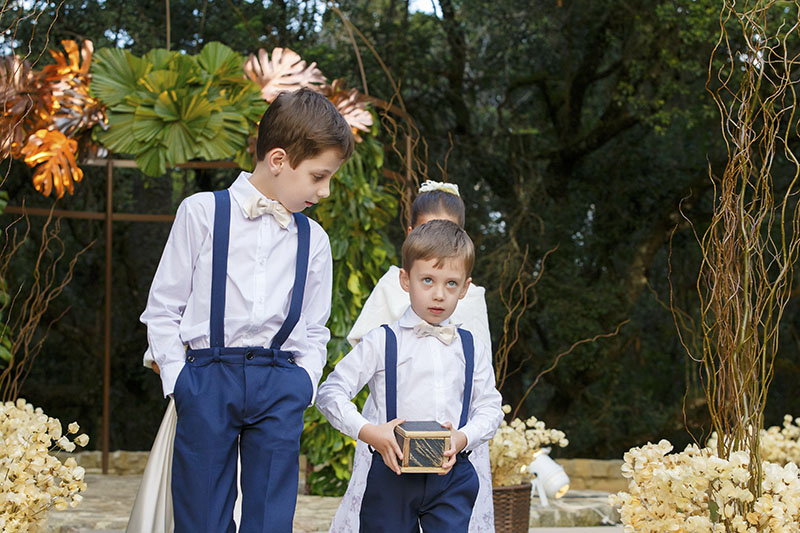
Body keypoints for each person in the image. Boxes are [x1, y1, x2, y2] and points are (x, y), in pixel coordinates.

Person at [132, 87, 353, 533]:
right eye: (318, 176)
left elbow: (315, 326)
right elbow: (163, 307)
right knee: (201, 517)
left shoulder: (315, 243)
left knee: (271, 520)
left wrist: (303, 382)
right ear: (278, 160)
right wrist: (181, 381)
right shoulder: (200, 214)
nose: (325, 191)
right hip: (207, 379)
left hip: (279, 383)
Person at [329, 181, 497, 532]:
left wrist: (463, 437)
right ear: (405, 280)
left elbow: (490, 407)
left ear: (465, 288)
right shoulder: (381, 342)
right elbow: (330, 394)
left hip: (452, 476)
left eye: (451, 284)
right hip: (392, 474)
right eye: (427, 281)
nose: (439, 294)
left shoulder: (472, 347)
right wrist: (369, 432)